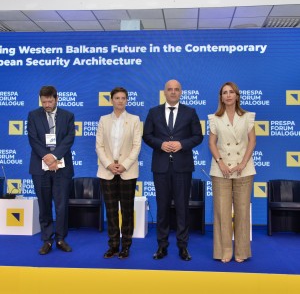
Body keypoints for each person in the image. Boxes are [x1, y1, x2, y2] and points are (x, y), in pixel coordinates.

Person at [143, 79, 203, 261]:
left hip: (182, 167)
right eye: (170, 89)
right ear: (164, 92)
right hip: (160, 167)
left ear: (181, 92)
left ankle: (183, 247)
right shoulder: (153, 112)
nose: (173, 92)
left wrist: (181, 144)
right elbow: (147, 135)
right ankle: (162, 246)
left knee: (182, 208)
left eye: (176, 89)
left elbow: (198, 136)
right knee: (162, 208)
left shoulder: (190, 112)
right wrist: (161, 144)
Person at [208, 81, 256, 263]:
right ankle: (224, 250)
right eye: (224, 93)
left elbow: (252, 141)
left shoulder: (248, 117)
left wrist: (243, 163)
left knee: (243, 211)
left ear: (237, 95)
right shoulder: (214, 118)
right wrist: (220, 162)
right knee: (222, 212)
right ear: (221, 97)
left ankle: (242, 251)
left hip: (243, 169)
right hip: (221, 170)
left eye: (231, 92)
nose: (228, 95)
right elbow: (212, 143)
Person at [27, 85, 75, 255]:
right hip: (40, 168)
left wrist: (54, 157)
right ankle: (47, 240)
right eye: (44, 101)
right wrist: (47, 157)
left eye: (50, 101)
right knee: (44, 204)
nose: (47, 104)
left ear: (56, 99)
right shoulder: (33, 115)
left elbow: (69, 139)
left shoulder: (68, 116)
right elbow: (33, 139)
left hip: (62, 168)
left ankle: (61, 238)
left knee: (62, 206)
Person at [96, 87, 141, 259]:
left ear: (127, 100)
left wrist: (124, 165)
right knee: (111, 210)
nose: (120, 101)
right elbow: (99, 146)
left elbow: (136, 146)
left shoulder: (134, 120)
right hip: (107, 171)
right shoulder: (103, 120)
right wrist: (108, 164)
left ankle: (126, 246)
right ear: (111, 100)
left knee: (127, 210)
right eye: (117, 98)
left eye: (123, 98)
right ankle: (113, 245)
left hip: (127, 171)